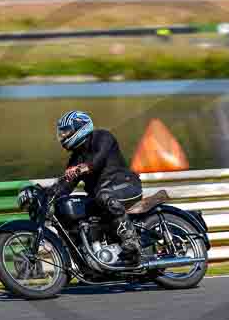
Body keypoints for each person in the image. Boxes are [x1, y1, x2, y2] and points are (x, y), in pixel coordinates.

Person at [48, 110, 153, 264]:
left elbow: (98, 160)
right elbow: (65, 186)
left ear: (80, 127)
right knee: (70, 210)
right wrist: (47, 194)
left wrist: (81, 168)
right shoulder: (76, 158)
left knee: (104, 196)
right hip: (101, 196)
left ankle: (131, 242)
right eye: (61, 133)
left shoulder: (102, 137)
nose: (63, 136)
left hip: (125, 186)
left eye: (66, 132)